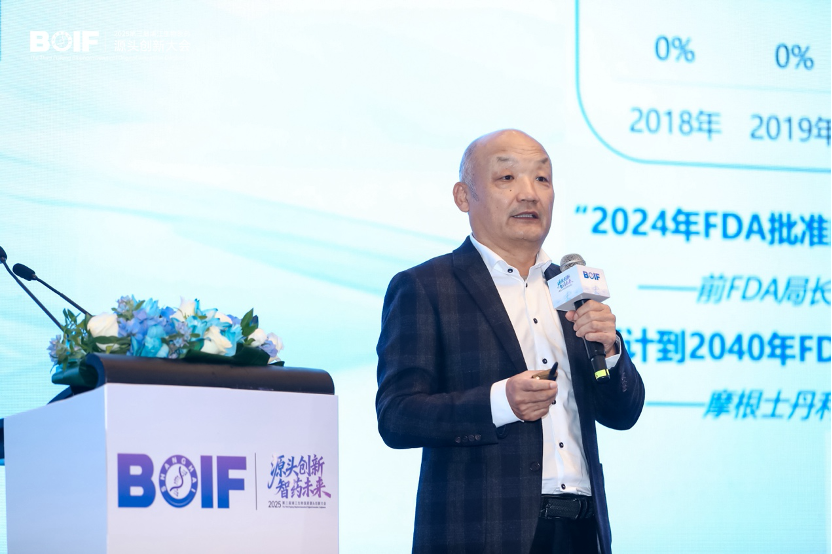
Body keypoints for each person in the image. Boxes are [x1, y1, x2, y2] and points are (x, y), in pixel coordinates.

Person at [376, 129, 644, 554]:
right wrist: (500, 403)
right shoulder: (427, 287)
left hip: (580, 532)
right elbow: (397, 416)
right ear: (464, 196)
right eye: (507, 178)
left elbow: (623, 413)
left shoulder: (571, 289)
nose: (529, 194)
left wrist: (610, 353)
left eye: (542, 179)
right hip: (481, 533)